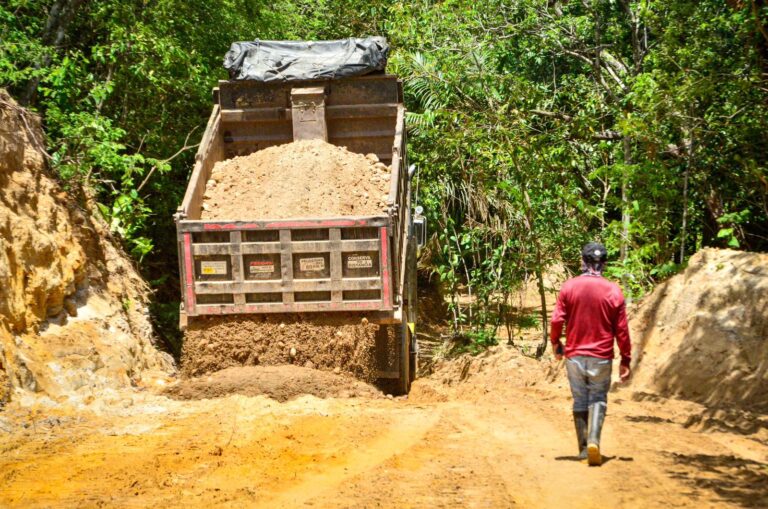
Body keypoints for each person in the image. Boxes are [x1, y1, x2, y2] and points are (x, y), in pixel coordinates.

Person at [550, 242, 632, 466]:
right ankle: (595, 440)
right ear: (604, 263)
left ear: (582, 261)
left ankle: (584, 449)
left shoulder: (569, 287)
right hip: (602, 356)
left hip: (575, 355)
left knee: (580, 399)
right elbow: (622, 330)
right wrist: (626, 359)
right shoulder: (613, 290)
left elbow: (557, 320)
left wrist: (556, 342)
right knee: (597, 398)